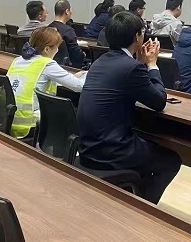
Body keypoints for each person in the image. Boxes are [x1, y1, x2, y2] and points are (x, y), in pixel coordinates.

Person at [78, 12, 182, 204]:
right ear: (136, 37)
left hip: (88, 148)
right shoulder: (131, 67)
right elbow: (159, 101)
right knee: (170, 160)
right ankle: (143, 208)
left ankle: (132, 198)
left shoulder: (100, 61)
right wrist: (152, 65)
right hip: (113, 150)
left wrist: (139, 63)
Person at [6, 27, 86, 139]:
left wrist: (71, 77)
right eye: (56, 47)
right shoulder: (47, 64)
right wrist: (90, 75)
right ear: (47, 49)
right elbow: (79, 86)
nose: (57, 50)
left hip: (9, 119)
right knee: (72, 113)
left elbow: (36, 80)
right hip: (29, 124)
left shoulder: (18, 60)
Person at [49, 0, 87, 68]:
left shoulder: (48, 28)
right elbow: (76, 55)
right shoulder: (68, 31)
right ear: (67, 11)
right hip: (67, 67)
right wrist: (83, 55)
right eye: (71, 10)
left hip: (50, 64)